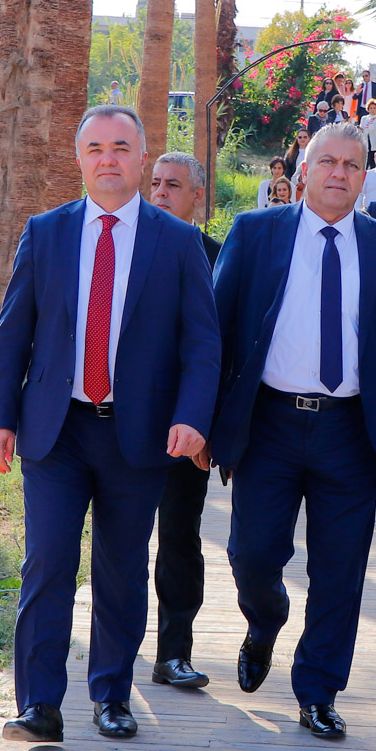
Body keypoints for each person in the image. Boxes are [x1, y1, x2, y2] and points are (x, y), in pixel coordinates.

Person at [0, 105, 220, 744]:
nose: (108, 159)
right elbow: (14, 334)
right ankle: (39, 705)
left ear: (142, 158)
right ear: (79, 159)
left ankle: (112, 695)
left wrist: (193, 417)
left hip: (136, 434)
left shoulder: (177, 242)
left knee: (121, 568)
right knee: (48, 563)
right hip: (55, 431)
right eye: (96, 148)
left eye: (120, 147)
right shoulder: (47, 232)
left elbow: (203, 342)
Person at [207, 123, 376, 740]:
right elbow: (215, 334)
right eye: (327, 161)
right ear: (303, 171)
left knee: (340, 570)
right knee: (251, 554)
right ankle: (265, 619)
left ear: (366, 178)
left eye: (352, 165)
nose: (338, 173)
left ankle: (318, 690)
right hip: (269, 424)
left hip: (351, 431)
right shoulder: (255, 232)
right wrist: (207, 424)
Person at [145, 152, 221, 691]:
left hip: (185, 430)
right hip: (118, 422)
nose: (161, 193)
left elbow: (221, 348)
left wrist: (205, 426)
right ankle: (114, 649)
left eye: (173, 185)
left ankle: (173, 653)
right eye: (155, 183)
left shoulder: (219, 257)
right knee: (119, 540)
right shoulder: (125, 245)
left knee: (178, 537)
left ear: (197, 196)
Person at [358, 99, 376, 169]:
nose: (372, 110)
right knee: (365, 162)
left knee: (373, 162)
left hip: (375, 143)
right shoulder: (364, 118)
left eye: (374, 108)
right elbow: (361, 130)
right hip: (366, 143)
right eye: (371, 108)